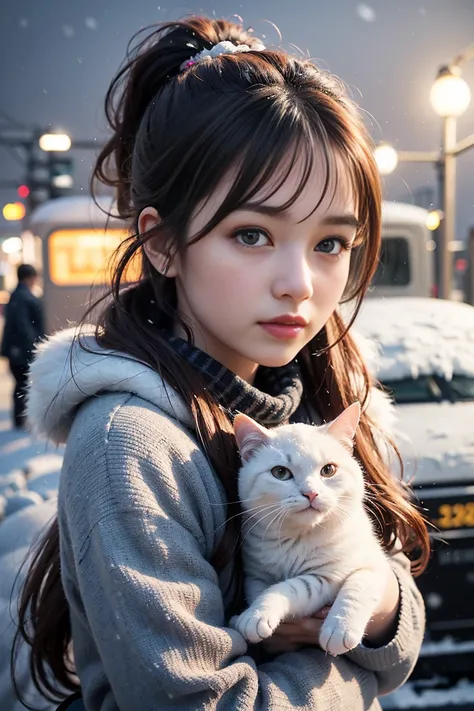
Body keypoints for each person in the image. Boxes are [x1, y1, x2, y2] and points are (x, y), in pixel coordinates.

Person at [12, 16, 430, 711]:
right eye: (253, 233)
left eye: (331, 243)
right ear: (164, 244)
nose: (300, 282)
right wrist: (358, 675)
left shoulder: (310, 402)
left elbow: (396, 609)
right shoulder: (131, 446)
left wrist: (382, 601)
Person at [1, 263, 44, 428]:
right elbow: (24, 326)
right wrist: (35, 346)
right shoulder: (23, 297)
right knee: (24, 384)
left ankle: (21, 418)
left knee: (21, 384)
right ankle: (22, 419)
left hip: (17, 350)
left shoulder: (16, 295)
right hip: (22, 351)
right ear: (30, 277)